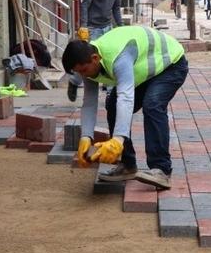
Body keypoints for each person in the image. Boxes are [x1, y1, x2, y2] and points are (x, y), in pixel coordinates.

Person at [62, 25, 189, 190]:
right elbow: (89, 102)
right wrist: (86, 137)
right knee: (112, 105)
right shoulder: (88, 64)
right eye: (79, 73)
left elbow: (126, 97)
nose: (84, 75)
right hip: (144, 71)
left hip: (171, 63)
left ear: (95, 58)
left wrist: (117, 140)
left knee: (153, 105)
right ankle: (128, 165)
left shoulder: (118, 56)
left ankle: (161, 170)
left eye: (84, 70)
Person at [67, 0, 124, 102]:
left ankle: (111, 94)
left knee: (108, 59)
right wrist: (84, 27)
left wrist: (121, 27)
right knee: (86, 60)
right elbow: (85, 4)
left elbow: (116, 8)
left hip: (107, 28)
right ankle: (74, 82)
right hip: (92, 28)